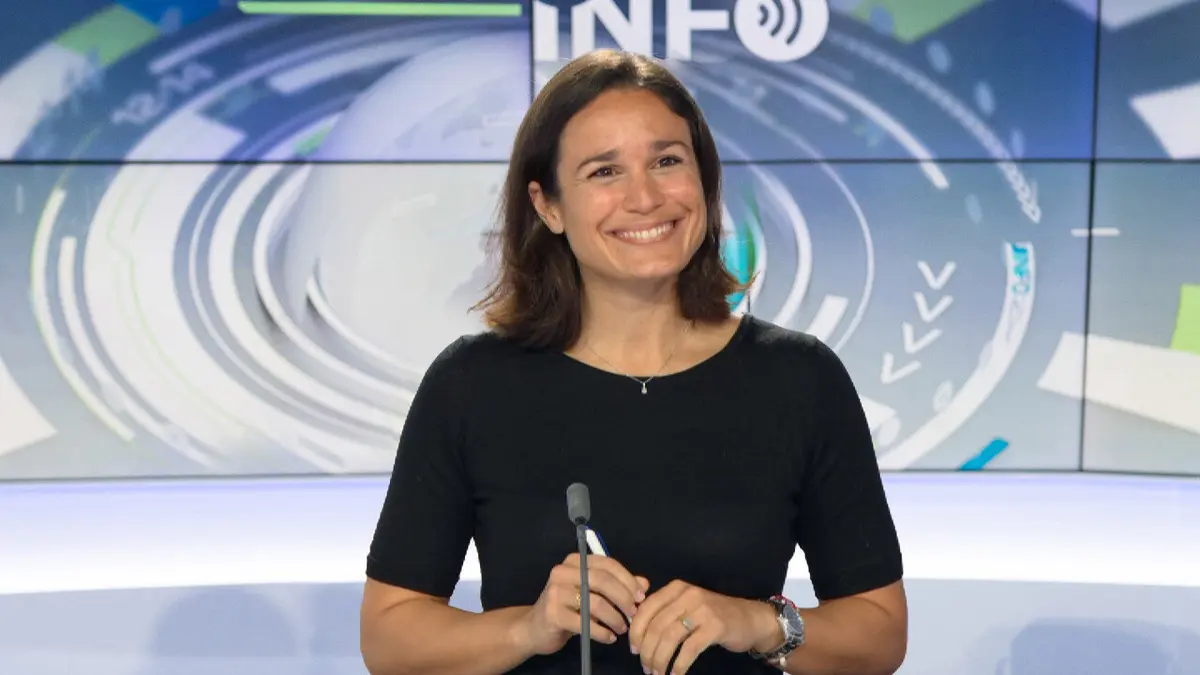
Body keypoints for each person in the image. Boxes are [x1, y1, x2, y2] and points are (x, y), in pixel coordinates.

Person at [360, 49, 907, 675]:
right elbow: (389, 638)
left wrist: (755, 623)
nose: (645, 198)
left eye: (667, 161)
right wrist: (528, 628)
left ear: (703, 180)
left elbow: (880, 632)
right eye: (604, 172)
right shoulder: (471, 385)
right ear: (548, 205)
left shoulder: (800, 379)